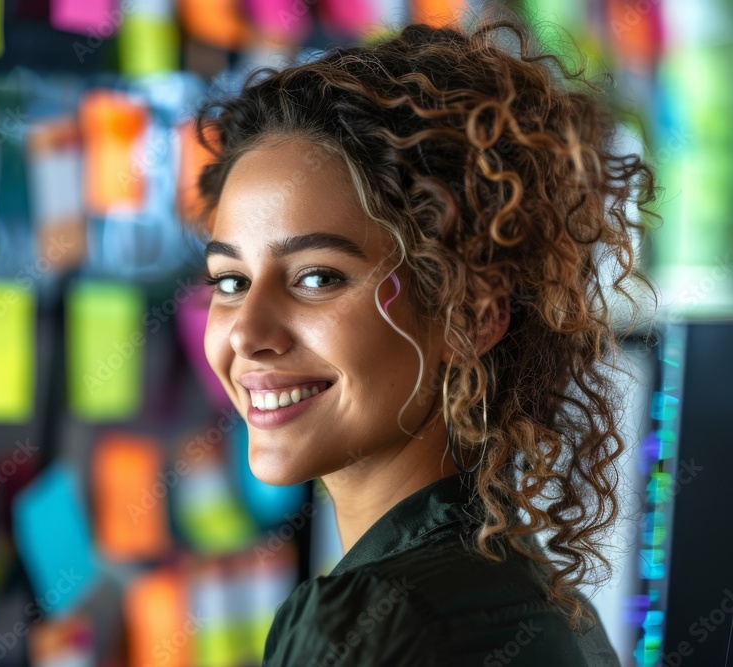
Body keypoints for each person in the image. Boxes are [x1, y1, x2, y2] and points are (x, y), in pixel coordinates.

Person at [185, 15, 659, 667]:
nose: (246, 331)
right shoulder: (549, 606)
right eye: (230, 280)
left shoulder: (372, 623)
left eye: (318, 277)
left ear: (470, 314)